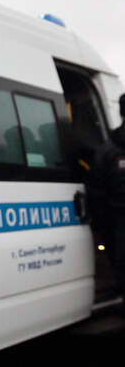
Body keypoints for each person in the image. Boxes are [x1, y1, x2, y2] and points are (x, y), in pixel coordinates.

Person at [87, 94, 125, 309]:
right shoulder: (108, 150)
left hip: (118, 220)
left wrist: (102, 224)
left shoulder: (107, 149)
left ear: (120, 112)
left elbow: (96, 191)